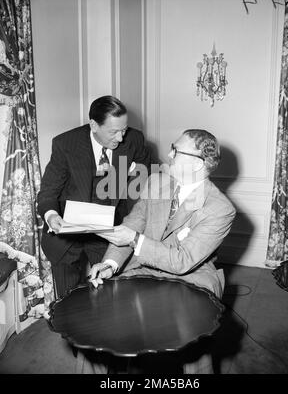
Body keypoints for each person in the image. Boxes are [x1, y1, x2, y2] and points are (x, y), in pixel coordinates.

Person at [89, 128, 236, 374]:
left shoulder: (220, 209)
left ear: (199, 164)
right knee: (96, 329)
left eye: (176, 150)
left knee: (191, 340)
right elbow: (134, 223)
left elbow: (182, 261)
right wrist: (110, 264)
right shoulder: (157, 182)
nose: (169, 154)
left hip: (192, 278)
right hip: (144, 269)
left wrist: (135, 240)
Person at [37, 95, 152, 299]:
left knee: (110, 296)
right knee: (68, 301)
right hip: (67, 234)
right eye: (114, 132)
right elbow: (48, 191)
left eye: (123, 130)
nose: (120, 138)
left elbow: (144, 187)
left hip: (109, 230)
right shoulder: (66, 144)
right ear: (93, 125)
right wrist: (52, 216)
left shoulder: (134, 139)